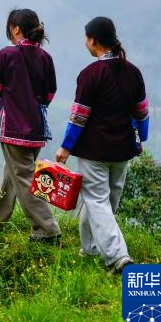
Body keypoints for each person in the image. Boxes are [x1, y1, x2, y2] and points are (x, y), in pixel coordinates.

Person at [56, 16, 149, 274]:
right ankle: (89, 249)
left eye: (86, 38)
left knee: (97, 203)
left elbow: (79, 116)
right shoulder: (133, 72)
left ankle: (118, 258)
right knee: (103, 203)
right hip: (122, 150)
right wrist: (141, 139)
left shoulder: (90, 74)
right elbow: (142, 112)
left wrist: (65, 147)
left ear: (93, 41)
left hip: (94, 151)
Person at [0, 8, 62, 243]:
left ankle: (46, 229)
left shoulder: (6, 55)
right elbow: (50, 94)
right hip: (37, 128)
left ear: (15, 29)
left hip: (13, 128)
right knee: (13, 173)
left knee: (25, 177)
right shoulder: (45, 58)